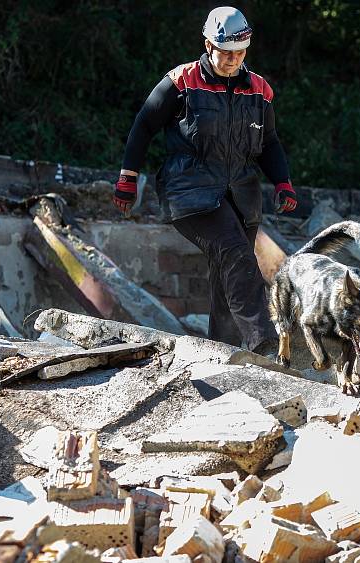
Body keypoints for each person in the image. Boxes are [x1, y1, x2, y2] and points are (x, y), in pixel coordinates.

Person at [113, 6, 295, 355]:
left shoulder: (259, 90)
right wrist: (128, 178)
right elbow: (144, 125)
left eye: (240, 54)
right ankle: (268, 341)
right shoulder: (181, 81)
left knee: (225, 273)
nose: (232, 60)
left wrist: (283, 182)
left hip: (241, 195)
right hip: (189, 192)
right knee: (236, 254)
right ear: (208, 44)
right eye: (225, 53)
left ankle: (221, 352)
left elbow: (269, 142)